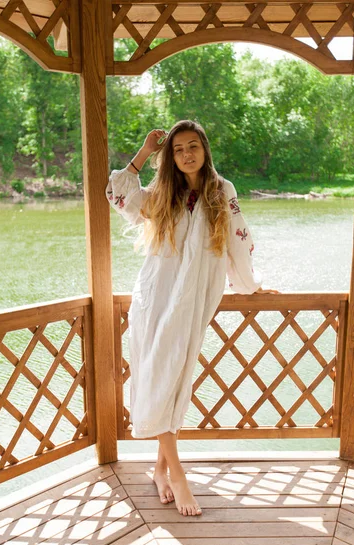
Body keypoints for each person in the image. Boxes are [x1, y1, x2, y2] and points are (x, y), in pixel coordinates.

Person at [106, 120, 279, 517]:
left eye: (193, 146)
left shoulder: (223, 191)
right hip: (156, 297)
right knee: (160, 376)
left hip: (196, 297)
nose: (187, 153)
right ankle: (177, 474)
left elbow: (239, 238)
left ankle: (159, 469)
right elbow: (116, 194)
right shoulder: (163, 191)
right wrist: (144, 152)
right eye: (179, 148)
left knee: (177, 378)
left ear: (205, 149)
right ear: (172, 155)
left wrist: (251, 286)